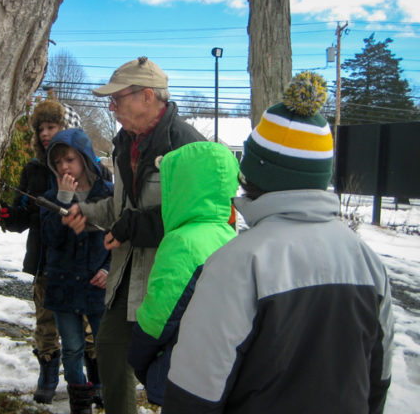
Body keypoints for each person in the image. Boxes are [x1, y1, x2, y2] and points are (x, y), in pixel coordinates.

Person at [163, 71, 394, 413]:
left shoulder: (237, 263)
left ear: (254, 174)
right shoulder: (368, 261)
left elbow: (193, 391)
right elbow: (379, 378)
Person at [62, 56, 206, 414]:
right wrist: (88, 211)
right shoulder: (124, 143)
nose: (111, 106)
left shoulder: (188, 146)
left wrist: (131, 227)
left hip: (172, 281)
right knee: (110, 352)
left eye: (117, 98)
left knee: (178, 376)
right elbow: (119, 207)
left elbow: (202, 222)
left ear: (146, 96)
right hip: (125, 276)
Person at [0, 99, 106, 405]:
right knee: (47, 322)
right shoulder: (34, 170)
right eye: (40, 128)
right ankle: (48, 374)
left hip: (86, 263)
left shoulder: (95, 171)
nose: (45, 133)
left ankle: (94, 378)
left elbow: (109, 222)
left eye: (52, 127)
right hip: (48, 260)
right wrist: (9, 215)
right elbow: (23, 214)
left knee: (86, 330)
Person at [126, 141, 239, 406]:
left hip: (186, 374)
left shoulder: (183, 243)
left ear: (181, 187)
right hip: (224, 371)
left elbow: (160, 316)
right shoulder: (231, 235)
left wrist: (138, 360)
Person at [41, 128, 113, 414]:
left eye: (69, 159)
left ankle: (109, 392)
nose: (63, 166)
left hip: (98, 284)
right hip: (63, 284)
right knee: (71, 347)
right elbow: (50, 239)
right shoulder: (51, 196)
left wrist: (109, 269)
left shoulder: (108, 193)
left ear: (84, 158)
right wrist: (62, 199)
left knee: (105, 345)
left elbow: (121, 239)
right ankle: (80, 402)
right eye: (58, 162)